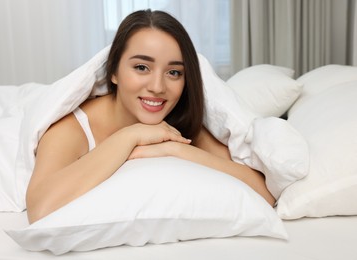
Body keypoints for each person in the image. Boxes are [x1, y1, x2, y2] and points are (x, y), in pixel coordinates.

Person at [26, 9, 275, 224]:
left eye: (174, 72)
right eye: (141, 67)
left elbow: (266, 193)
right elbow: (40, 209)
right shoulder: (71, 128)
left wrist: (175, 151)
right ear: (113, 71)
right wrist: (130, 136)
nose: (157, 86)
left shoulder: (180, 124)